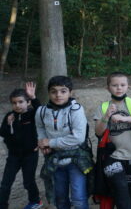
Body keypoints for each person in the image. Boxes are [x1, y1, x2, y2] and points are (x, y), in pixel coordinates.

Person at [36, 76, 93, 209]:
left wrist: (50, 142)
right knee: (60, 198)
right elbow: (40, 127)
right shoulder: (42, 111)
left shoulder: (76, 110)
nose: (58, 95)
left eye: (63, 91)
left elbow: (78, 137)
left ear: (70, 92)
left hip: (76, 160)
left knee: (78, 198)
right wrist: (43, 143)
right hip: (54, 159)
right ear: (48, 93)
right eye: (53, 91)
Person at [94, 72, 131, 209]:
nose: (119, 88)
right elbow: (98, 132)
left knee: (127, 192)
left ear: (127, 87)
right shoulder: (103, 106)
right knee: (121, 188)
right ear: (108, 88)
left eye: (122, 85)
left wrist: (125, 118)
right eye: (115, 85)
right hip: (112, 156)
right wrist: (107, 116)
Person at [0, 83, 42, 209]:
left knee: (28, 181)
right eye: (14, 103)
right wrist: (8, 124)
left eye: (20, 102)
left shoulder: (33, 114)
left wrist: (33, 97)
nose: (17, 105)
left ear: (27, 102)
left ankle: (35, 201)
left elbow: (41, 111)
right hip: (13, 156)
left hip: (30, 154)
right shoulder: (9, 116)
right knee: (5, 183)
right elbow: (2, 133)